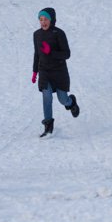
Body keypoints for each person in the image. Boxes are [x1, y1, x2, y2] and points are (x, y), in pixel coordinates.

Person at [32, 8, 80, 138]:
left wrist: (51, 52)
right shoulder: (37, 35)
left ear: (51, 20)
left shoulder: (59, 33)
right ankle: (48, 126)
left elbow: (67, 54)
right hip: (44, 72)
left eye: (46, 19)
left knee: (62, 99)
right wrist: (35, 71)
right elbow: (37, 54)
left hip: (59, 72)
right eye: (41, 19)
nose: (43, 22)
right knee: (46, 97)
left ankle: (71, 102)